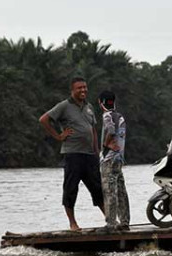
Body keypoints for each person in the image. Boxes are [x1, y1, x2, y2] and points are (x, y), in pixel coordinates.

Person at [39, 76, 104, 231]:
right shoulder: (64, 106)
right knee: (70, 188)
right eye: (79, 88)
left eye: (85, 87)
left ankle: (109, 219)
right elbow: (43, 120)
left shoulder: (89, 107)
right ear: (72, 90)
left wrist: (97, 151)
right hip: (73, 154)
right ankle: (73, 223)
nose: (83, 90)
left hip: (90, 155)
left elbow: (93, 129)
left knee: (98, 188)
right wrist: (59, 136)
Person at [98, 91, 130, 231]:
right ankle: (124, 222)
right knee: (121, 190)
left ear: (101, 102)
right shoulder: (120, 116)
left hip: (109, 159)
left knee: (109, 190)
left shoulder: (107, 115)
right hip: (119, 158)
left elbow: (110, 130)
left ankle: (110, 224)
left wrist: (106, 144)